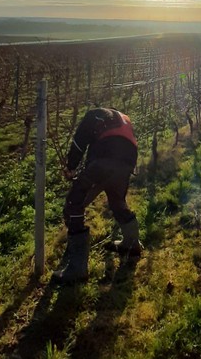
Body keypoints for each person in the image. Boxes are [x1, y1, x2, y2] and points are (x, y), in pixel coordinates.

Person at [53, 107, 142, 284]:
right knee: (117, 201)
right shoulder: (124, 117)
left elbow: (79, 142)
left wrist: (71, 167)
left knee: (74, 202)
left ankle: (77, 267)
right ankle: (132, 245)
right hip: (127, 162)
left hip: (104, 159)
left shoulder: (93, 114)